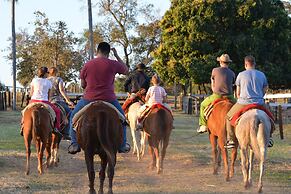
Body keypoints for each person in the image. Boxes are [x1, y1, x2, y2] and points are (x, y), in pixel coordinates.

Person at [68, 42, 130, 154]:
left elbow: (82, 85)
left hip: (89, 99)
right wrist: (116, 55)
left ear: (97, 51)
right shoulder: (113, 63)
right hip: (109, 98)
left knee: (73, 117)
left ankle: (74, 143)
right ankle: (122, 144)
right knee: (123, 120)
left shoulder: (88, 64)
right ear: (108, 52)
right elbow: (126, 70)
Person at [225, 55, 271, 148]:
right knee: (270, 118)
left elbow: (237, 92)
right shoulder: (261, 74)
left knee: (228, 117)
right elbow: (265, 88)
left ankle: (231, 140)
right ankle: (268, 138)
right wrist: (259, 96)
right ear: (254, 64)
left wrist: (240, 98)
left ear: (245, 64)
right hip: (259, 103)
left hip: (243, 102)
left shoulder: (241, 75)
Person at [197, 54, 236, 133]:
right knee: (240, 108)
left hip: (217, 95)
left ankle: (203, 125)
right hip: (229, 96)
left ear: (220, 62)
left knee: (203, 105)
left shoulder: (215, 70)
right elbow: (233, 85)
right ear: (228, 63)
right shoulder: (232, 73)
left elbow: (213, 84)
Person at [21, 66, 62, 138]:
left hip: (33, 101)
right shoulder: (49, 82)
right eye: (47, 73)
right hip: (45, 101)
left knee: (24, 111)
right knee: (58, 111)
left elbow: (31, 93)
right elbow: (49, 96)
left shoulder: (34, 80)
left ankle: (23, 126)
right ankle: (56, 128)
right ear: (45, 74)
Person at [48, 67, 74, 140]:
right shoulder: (58, 79)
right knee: (70, 114)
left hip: (48, 101)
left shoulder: (46, 80)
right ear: (56, 72)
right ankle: (66, 133)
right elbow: (62, 90)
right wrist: (68, 101)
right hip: (58, 100)